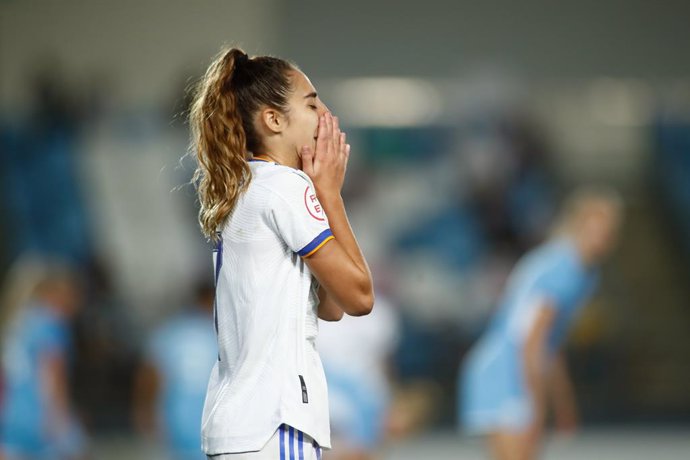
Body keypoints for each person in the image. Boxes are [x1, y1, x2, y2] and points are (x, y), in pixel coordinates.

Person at [188, 48, 374, 459]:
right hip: (276, 421)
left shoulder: (248, 185)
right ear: (273, 120)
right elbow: (359, 297)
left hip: (243, 424)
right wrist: (330, 194)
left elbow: (332, 306)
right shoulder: (285, 188)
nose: (326, 115)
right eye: (312, 103)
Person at [459, 187, 622, 460]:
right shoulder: (563, 269)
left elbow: (550, 345)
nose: (602, 237)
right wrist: (537, 405)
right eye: (595, 228)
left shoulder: (583, 273)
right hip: (504, 371)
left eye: (608, 229)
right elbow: (531, 343)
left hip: (515, 372)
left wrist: (563, 406)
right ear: (577, 226)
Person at [0, 263, 88, 460]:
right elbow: (52, 374)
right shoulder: (51, 324)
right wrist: (62, 422)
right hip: (40, 417)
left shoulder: (19, 323)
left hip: (12, 415)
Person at [133, 282, 218, 460]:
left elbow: (149, 375)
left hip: (175, 417)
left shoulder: (170, 330)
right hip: (208, 418)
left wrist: (144, 409)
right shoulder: (220, 333)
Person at [318, 293, 400, 460]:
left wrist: (388, 405)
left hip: (368, 400)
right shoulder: (306, 308)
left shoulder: (379, 312)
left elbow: (385, 364)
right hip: (324, 398)